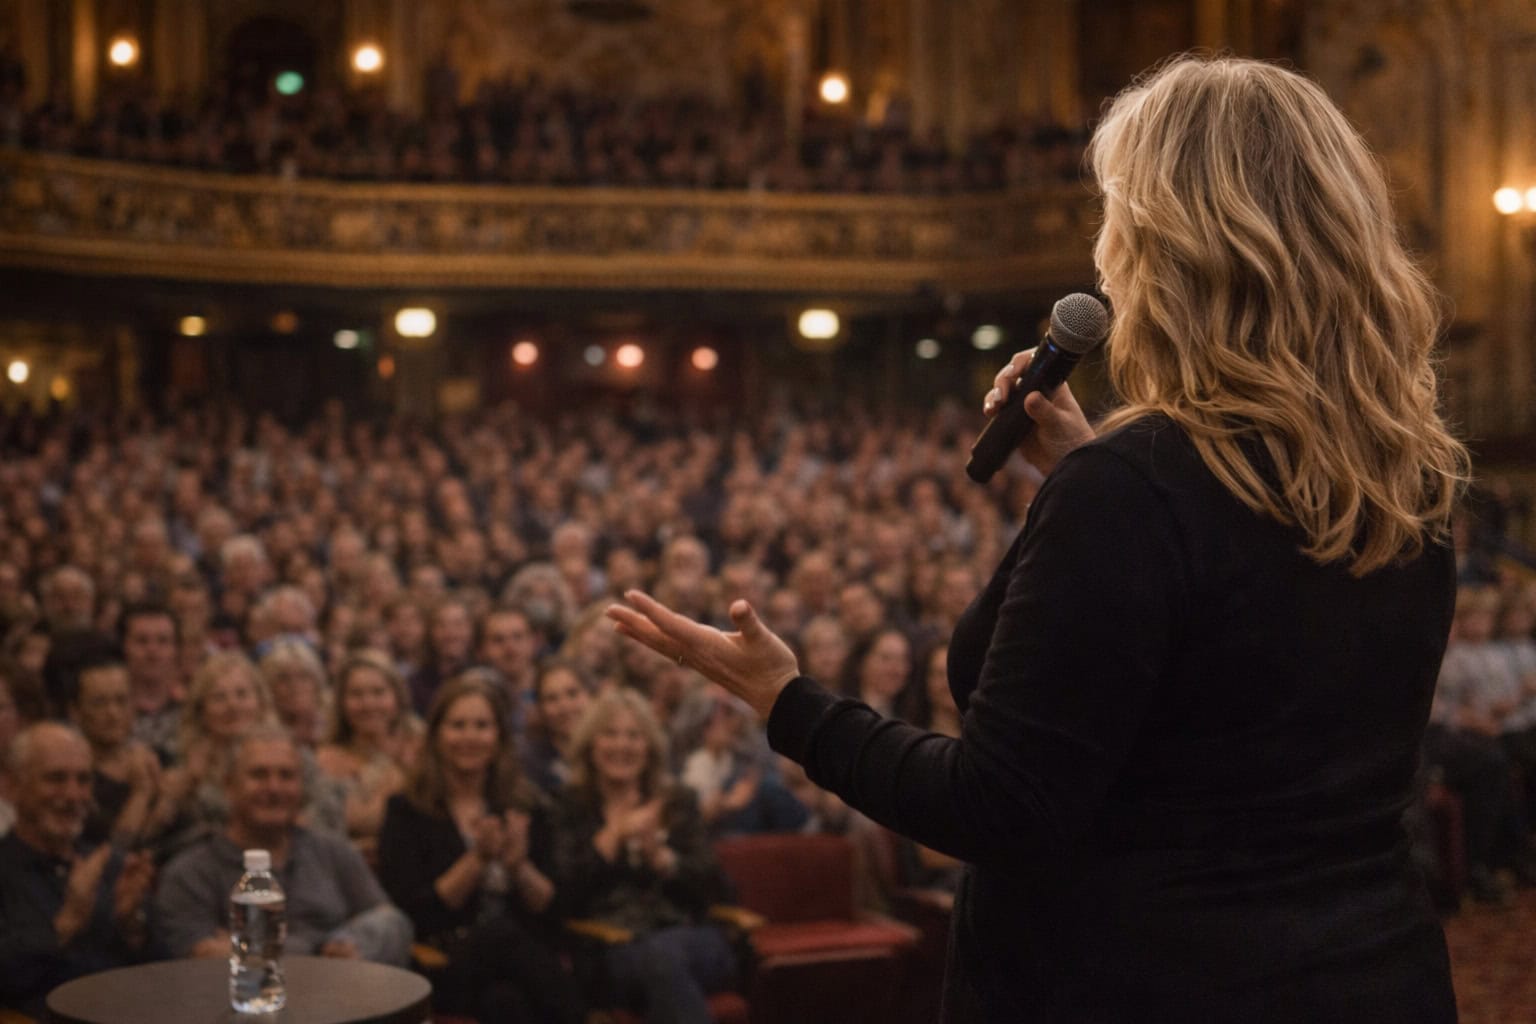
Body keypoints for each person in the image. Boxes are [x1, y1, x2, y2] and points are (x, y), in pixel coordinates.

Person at [609, 55, 1469, 1022]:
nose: (1103, 249)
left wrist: (786, 699)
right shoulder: (1409, 478)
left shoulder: (1135, 491)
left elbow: (998, 807)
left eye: (1115, 214)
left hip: (1141, 986)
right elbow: (1245, 667)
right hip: (1368, 972)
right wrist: (1093, 470)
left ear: (1169, 245)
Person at [377, 674, 583, 1024]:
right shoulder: (407, 810)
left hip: (519, 966)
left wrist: (519, 868)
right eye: (458, 725)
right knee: (500, 935)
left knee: (506, 1003)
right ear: (437, 735)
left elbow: (556, 908)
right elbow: (413, 912)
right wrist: (477, 860)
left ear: (499, 737)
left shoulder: (525, 804)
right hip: (441, 960)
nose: (470, 737)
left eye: (482, 726)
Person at [548, 688, 739, 1024]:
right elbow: (563, 896)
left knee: (664, 959)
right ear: (591, 745)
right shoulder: (568, 806)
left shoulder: (677, 800)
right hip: (610, 947)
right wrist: (614, 835)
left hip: (691, 937)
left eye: (634, 736)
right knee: (658, 962)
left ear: (649, 747)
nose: (622, 746)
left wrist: (662, 857)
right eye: (610, 734)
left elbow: (718, 887)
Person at [154, 725, 413, 965]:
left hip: (343, 1002)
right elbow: (203, 959)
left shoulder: (332, 851)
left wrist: (252, 948)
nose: (274, 787)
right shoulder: (190, 872)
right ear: (229, 787)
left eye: (286, 776)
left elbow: (390, 921)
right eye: (259, 775)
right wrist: (323, 953)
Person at [0, 723, 157, 1018]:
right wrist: (66, 922)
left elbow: (163, 969)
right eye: (55, 779)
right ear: (12, 786)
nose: (73, 795)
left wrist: (131, 923)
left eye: (84, 780)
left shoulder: (109, 863)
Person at [315, 649, 422, 863]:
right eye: (356, 694)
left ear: (397, 696)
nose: (368, 704)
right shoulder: (325, 758)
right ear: (342, 703)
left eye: (378, 692)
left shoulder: (420, 749)